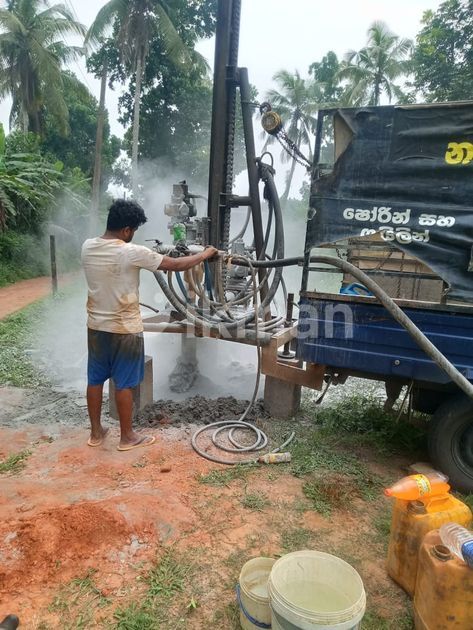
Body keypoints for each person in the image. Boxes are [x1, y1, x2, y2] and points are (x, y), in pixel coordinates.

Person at [81, 199, 218, 451]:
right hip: (125, 329)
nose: (132, 236)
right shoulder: (130, 251)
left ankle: (96, 433)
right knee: (123, 383)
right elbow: (176, 265)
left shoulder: (88, 247)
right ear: (126, 230)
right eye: (132, 231)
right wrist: (206, 254)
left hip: (96, 326)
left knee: (95, 379)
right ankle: (127, 437)